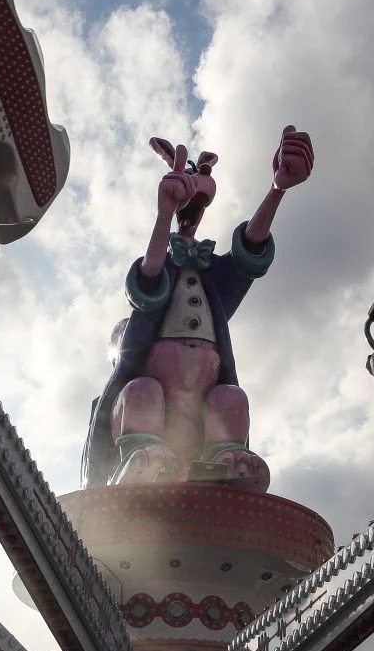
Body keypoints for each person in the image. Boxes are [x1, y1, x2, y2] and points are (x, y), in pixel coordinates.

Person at [83, 127, 314, 490]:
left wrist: (277, 189)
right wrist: (163, 216)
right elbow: (147, 283)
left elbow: (249, 253)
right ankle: (141, 457)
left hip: (205, 391)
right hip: (152, 394)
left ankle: (226, 459)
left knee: (230, 397)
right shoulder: (163, 267)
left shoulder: (214, 276)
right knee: (141, 391)